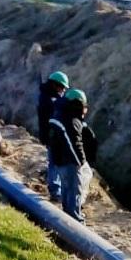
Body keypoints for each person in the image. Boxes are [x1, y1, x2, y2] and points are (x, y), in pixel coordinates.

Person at [48, 88, 96, 222]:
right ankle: (75, 220)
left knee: (66, 189)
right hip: (69, 162)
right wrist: (80, 161)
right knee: (74, 190)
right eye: (84, 106)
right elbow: (74, 143)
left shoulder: (61, 114)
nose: (85, 110)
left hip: (62, 161)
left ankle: (67, 217)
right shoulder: (70, 120)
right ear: (78, 104)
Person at [38, 71, 69, 202]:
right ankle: (56, 191)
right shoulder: (50, 100)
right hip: (53, 136)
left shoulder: (46, 96)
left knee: (55, 162)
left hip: (50, 135)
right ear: (55, 85)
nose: (63, 90)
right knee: (55, 163)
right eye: (61, 87)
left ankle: (57, 189)